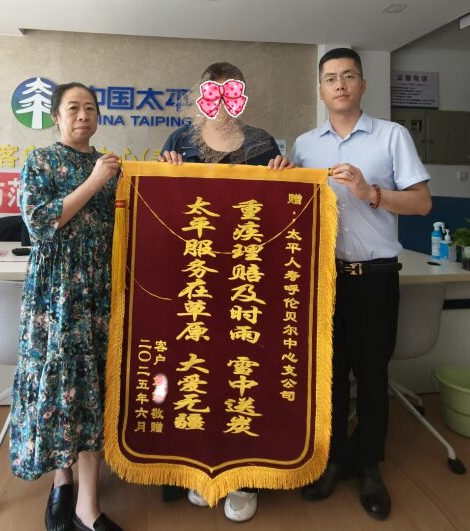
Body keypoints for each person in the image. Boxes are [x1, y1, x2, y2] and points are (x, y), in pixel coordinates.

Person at [291, 48, 432, 521]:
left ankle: (369, 466)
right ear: (320, 88)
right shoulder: (305, 145)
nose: (340, 84)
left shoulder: (391, 136)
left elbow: (422, 204)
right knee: (328, 376)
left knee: (372, 376)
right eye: (330, 77)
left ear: (362, 84)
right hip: (324, 280)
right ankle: (331, 461)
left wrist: (368, 192)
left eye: (349, 75)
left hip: (374, 277)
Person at [159, 61, 293, 523]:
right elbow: (163, 208)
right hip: (194, 278)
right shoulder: (179, 141)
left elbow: (278, 211)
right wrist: (164, 174)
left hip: (248, 278)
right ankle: (200, 467)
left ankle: (245, 477)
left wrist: (285, 175)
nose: (218, 101)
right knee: (199, 372)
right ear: (199, 96)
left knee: (246, 372)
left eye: (228, 91)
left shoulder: (262, 142)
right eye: (210, 92)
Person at [9, 82, 123, 531]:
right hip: (55, 293)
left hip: (99, 288)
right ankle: (62, 480)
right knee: (60, 384)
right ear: (56, 117)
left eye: (90, 108)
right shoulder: (40, 161)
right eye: (73, 108)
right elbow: (40, 222)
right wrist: (95, 181)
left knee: (91, 385)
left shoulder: (112, 167)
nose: (83, 115)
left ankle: (87, 504)